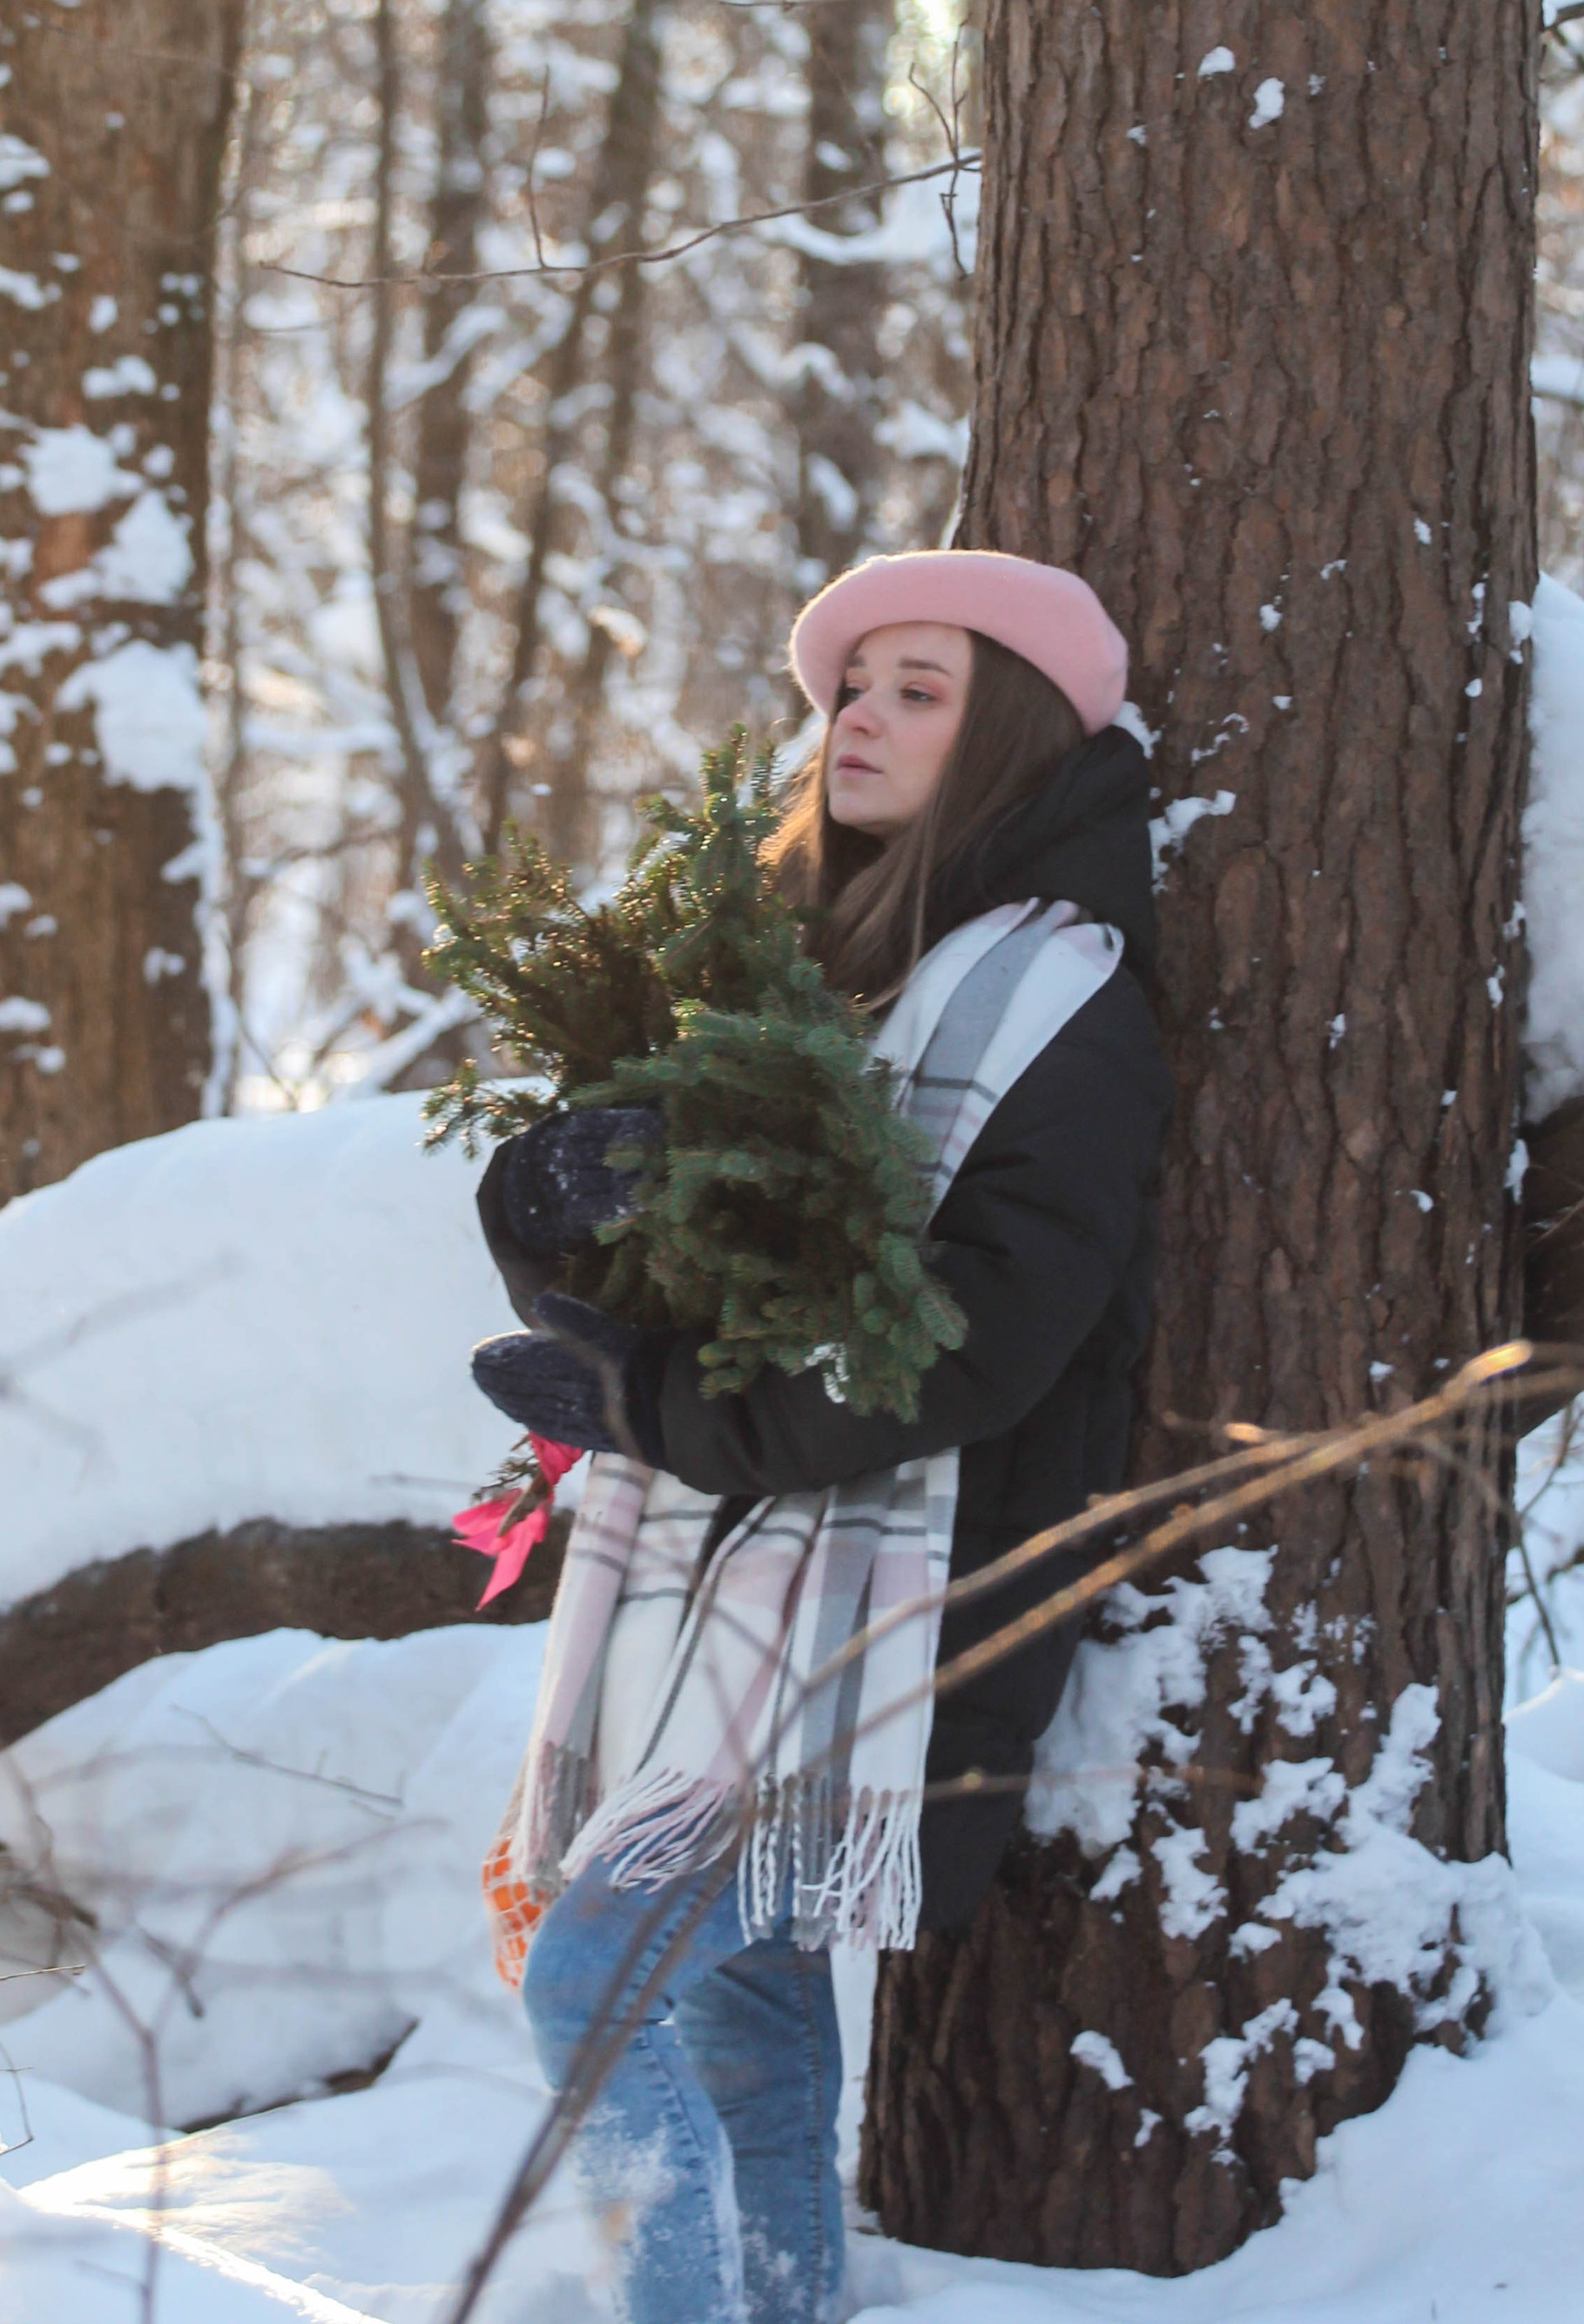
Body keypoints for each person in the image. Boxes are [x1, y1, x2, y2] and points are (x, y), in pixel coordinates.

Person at [468, 548, 1174, 2324]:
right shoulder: (791, 968)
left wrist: (652, 1405)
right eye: (850, 688)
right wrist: (542, 1208)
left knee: (594, 1981)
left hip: (904, 1614)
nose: (855, 718)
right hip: (723, 1604)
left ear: (1007, 736)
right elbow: (669, 1266)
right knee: (737, 2014)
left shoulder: (1060, 1002)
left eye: (917, 691)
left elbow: (970, 1344)